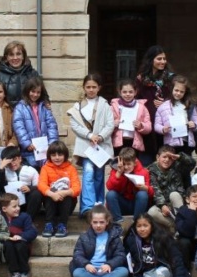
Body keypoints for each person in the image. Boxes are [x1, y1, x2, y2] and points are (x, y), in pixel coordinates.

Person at [67, 73, 114, 218]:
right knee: (88, 173)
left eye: (94, 87)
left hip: (101, 146)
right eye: (88, 87)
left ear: (99, 88)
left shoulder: (105, 105)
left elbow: (110, 124)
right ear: (84, 88)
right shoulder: (78, 106)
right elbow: (74, 124)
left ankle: (98, 204)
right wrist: (89, 135)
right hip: (86, 146)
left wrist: (100, 136)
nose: (91, 90)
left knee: (99, 175)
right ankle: (87, 207)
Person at [124, 213, 190, 277]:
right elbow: (126, 257)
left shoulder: (163, 238)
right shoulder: (132, 241)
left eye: (145, 226)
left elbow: (176, 257)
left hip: (164, 268)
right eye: (139, 226)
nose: (142, 229)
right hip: (147, 272)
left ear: (151, 226)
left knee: (159, 273)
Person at [70, 204, 129, 277]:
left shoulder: (114, 237)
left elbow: (120, 255)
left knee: (124, 271)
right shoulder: (84, 237)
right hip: (90, 270)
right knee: (77, 273)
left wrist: (110, 264)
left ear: (107, 221)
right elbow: (77, 254)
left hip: (108, 270)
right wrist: (86, 264)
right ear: (91, 222)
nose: (98, 225)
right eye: (95, 222)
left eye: (101, 222)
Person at [135, 45, 175, 166]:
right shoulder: (141, 79)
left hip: (166, 124)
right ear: (151, 60)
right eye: (159, 59)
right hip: (148, 124)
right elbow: (136, 100)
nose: (163, 61)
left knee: (166, 160)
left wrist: (165, 104)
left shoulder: (171, 78)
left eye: (164, 59)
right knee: (146, 163)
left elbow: (178, 97)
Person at [153, 75, 197, 177]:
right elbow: (156, 125)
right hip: (171, 144)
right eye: (176, 90)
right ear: (172, 89)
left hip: (186, 143)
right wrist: (163, 129)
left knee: (185, 171)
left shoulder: (190, 106)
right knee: (172, 171)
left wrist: (194, 125)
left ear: (185, 92)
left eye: (181, 92)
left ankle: (186, 191)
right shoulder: (163, 107)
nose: (178, 93)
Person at [12, 77, 59, 169]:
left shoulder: (44, 107)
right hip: (30, 150)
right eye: (33, 91)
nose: (35, 94)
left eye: (38, 92)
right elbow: (19, 126)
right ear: (27, 91)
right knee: (32, 174)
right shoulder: (20, 107)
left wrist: (51, 143)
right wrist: (26, 143)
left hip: (45, 149)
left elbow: (52, 125)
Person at [38, 140, 81, 238]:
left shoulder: (71, 169)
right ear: (49, 156)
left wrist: (64, 192)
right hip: (50, 204)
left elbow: (77, 188)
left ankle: (63, 225)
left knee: (69, 195)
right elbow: (41, 184)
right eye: (53, 155)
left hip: (66, 204)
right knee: (47, 193)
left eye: (60, 155)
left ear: (65, 155)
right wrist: (52, 194)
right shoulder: (45, 168)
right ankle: (49, 224)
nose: (57, 158)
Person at [147, 145, 193, 230]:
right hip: (162, 204)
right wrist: (162, 205)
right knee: (151, 212)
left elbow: (192, 163)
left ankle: (183, 224)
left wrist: (179, 157)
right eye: (164, 157)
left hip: (177, 202)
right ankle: (175, 226)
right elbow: (155, 189)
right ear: (158, 157)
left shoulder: (177, 166)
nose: (167, 160)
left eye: (170, 158)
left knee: (174, 194)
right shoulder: (151, 170)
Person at [0, 146, 42, 219]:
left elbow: (39, 186)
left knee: (36, 194)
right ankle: (5, 220)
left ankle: (28, 220)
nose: (12, 164)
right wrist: (1, 168)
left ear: (20, 158)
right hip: (9, 201)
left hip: (25, 201)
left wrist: (30, 188)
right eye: (9, 162)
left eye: (14, 160)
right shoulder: (4, 171)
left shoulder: (30, 170)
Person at [105, 147, 153, 224]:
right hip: (122, 203)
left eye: (129, 164)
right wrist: (119, 173)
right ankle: (118, 222)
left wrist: (146, 188)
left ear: (134, 163)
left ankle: (136, 223)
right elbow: (109, 187)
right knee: (110, 194)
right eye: (124, 164)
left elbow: (151, 194)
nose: (126, 167)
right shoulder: (116, 170)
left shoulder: (143, 172)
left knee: (143, 194)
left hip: (137, 205)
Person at [0, 192, 37, 277]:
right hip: (7, 244)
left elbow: (32, 232)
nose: (18, 208)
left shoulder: (24, 217)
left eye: (18, 205)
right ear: (4, 209)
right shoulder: (0, 218)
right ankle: (15, 273)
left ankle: (25, 272)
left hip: (22, 243)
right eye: (14, 206)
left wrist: (21, 235)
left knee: (19, 245)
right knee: (8, 245)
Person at [110, 79, 151, 159]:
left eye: (130, 92)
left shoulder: (141, 107)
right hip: (118, 142)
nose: (127, 94)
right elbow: (107, 124)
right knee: (119, 165)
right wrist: (114, 124)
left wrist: (141, 125)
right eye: (124, 92)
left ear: (135, 92)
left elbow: (148, 126)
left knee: (132, 166)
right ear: (120, 92)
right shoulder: (113, 107)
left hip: (135, 142)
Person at [0, 41, 41, 107]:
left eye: (18, 54)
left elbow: (43, 95)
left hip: (28, 115)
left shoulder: (33, 74)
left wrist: (46, 103)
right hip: (7, 115)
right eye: (11, 55)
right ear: (7, 57)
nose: (15, 58)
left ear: (23, 56)